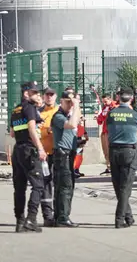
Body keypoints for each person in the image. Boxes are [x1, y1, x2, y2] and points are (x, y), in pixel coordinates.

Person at [9, 81, 47, 232]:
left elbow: (12, 133)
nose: (38, 95)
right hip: (29, 150)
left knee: (19, 187)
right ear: (26, 94)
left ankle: (20, 221)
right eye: (35, 93)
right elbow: (31, 128)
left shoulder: (16, 110)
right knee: (38, 185)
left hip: (18, 149)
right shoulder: (28, 107)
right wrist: (40, 148)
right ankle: (31, 219)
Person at [106, 87, 137, 228]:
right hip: (129, 151)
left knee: (118, 186)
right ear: (132, 99)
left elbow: (107, 132)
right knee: (125, 187)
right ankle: (119, 219)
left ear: (118, 98)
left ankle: (129, 217)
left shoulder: (111, 114)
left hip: (113, 151)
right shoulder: (134, 114)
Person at [51, 90, 82, 227]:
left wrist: (77, 105)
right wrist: (75, 106)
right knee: (65, 186)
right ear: (61, 101)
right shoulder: (58, 116)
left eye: (72, 102)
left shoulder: (70, 115)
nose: (70, 105)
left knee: (62, 186)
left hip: (69, 153)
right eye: (67, 102)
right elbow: (72, 125)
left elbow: (76, 122)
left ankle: (58, 216)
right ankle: (63, 217)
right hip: (63, 154)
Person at [38, 87, 59, 226]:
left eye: (52, 95)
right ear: (43, 97)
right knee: (45, 183)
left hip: (58, 152)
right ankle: (47, 215)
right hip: (43, 154)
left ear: (55, 96)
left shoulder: (59, 111)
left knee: (58, 183)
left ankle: (59, 214)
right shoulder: (38, 112)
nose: (49, 97)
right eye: (47, 95)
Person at [96, 93, 117, 175]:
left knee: (111, 151)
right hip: (104, 131)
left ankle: (113, 167)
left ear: (110, 99)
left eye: (105, 101)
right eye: (103, 102)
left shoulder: (114, 106)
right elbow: (100, 121)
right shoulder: (105, 108)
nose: (104, 103)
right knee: (105, 151)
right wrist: (99, 116)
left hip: (111, 132)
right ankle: (108, 166)